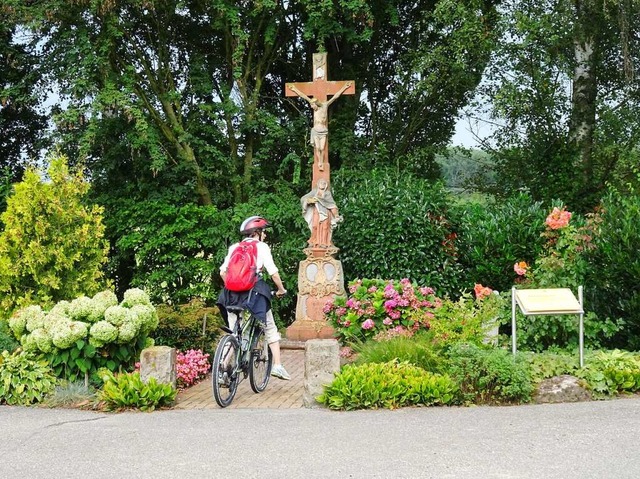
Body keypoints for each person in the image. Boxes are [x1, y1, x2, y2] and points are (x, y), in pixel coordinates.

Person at [217, 216, 290, 380]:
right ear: (257, 233)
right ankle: (277, 366)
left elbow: (223, 272)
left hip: (231, 295)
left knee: (234, 332)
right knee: (270, 327)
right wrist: (281, 290)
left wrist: (234, 286)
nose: (265, 235)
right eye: (263, 232)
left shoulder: (234, 247)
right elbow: (274, 273)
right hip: (253, 295)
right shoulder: (262, 247)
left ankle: (221, 370)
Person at [288, 81, 353, 171]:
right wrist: (294, 89)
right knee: (317, 148)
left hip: (323, 131)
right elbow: (303, 96)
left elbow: (335, 96)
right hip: (315, 130)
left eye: (312, 105)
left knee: (322, 148)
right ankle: (320, 163)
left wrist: (345, 87)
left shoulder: (324, 106)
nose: (311, 107)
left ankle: (321, 162)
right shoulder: (315, 110)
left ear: (316, 103)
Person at [301, 178, 342, 247]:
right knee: (314, 226)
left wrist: (336, 215)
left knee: (325, 227)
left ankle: (324, 243)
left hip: (326, 213)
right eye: (321, 183)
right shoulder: (314, 192)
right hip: (316, 212)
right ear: (317, 184)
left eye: (324, 183)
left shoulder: (327, 193)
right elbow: (303, 198)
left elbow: (332, 205)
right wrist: (308, 200)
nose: (322, 184)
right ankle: (314, 241)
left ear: (326, 185)